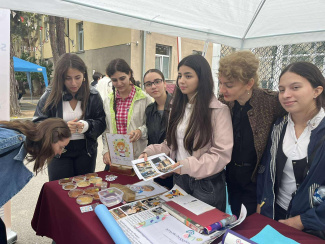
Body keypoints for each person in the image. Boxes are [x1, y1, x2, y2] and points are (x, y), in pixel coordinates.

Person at [140, 55, 233, 210]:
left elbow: (220, 155)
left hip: (205, 184)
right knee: (179, 227)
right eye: (179, 75)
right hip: (180, 180)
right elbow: (170, 144)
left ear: (201, 78)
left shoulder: (218, 110)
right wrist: (149, 152)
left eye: (188, 76)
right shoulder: (177, 107)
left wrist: (184, 165)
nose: (181, 81)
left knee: (204, 230)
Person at [257, 62, 325, 239]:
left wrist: (302, 221)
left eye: (295, 87)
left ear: (317, 91)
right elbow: (267, 170)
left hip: (314, 224)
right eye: (281, 89)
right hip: (276, 213)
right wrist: (262, 201)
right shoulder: (279, 127)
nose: (286, 95)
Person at [218, 51, 286, 217]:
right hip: (232, 174)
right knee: (235, 215)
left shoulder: (271, 102)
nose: (222, 89)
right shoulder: (223, 102)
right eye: (220, 83)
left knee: (252, 220)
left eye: (229, 85)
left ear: (249, 84)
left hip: (256, 178)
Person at [33, 53, 106, 181]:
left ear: (84, 75)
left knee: (85, 190)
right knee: (60, 191)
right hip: (58, 152)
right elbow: (37, 124)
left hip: (86, 150)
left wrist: (86, 126)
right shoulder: (50, 96)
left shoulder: (93, 95)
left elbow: (101, 122)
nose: (73, 83)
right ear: (60, 78)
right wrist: (60, 129)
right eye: (68, 78)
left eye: (77, 77)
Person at [0, 118, 71, 243]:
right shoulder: (14, 140)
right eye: (61, 147)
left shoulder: (22, 142)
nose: (59, 153)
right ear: (50, 139)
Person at [102, 58, 152, 169]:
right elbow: (106, 129)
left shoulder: (145, 99)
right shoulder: (108, 101)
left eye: (122, 78)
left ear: (129, 74)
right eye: (114, 80)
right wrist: (106, 150)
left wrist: (140, 131)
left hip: (137, 155)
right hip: (116, 156)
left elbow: (151, 127)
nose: (119, 83)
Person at [143, 69, 173, 189]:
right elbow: (151, 139)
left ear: (165, 83)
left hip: (174, 167)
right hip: (155, 166)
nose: (153, 86)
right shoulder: (149, 109)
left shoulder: (178, 106)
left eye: (157, 82)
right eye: (149, 84)